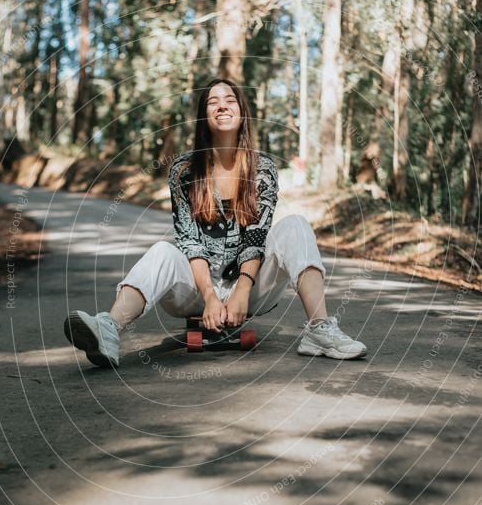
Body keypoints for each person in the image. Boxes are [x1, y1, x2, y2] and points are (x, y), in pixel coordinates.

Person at [64, 78, 367, 368]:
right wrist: (209, 296)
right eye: (213, 102)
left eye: (229, 100)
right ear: (203, 115)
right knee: (162, 251)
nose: (222, 106)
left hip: (252, 288)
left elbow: (256, 237)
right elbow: (190, 242)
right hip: (195, 291)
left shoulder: (263, 168)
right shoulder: (183, 171)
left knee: (297, 225)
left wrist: (241, 293)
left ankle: (319, 330)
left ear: (242, 112)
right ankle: (108, 329)